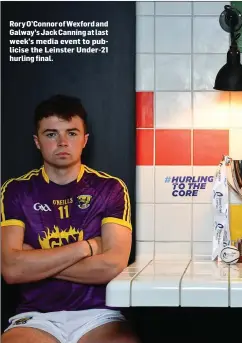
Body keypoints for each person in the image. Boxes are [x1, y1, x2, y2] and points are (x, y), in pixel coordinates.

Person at [1, 95, 140, 343]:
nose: (63, 142)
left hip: (99, 315)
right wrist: (87, 247)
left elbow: (111, 266)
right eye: (51, 134)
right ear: (37, 141)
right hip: (35, 317)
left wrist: (35, 262)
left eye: (72, 133)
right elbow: (11, 269)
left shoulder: (110, 188)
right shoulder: (16, 190)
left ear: (85, 140)